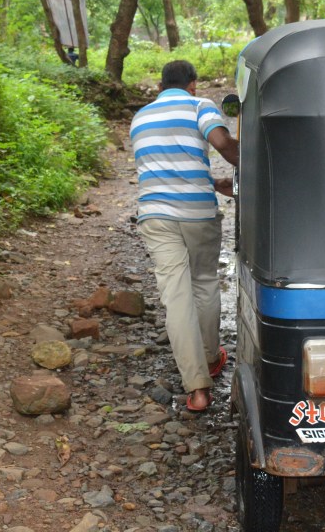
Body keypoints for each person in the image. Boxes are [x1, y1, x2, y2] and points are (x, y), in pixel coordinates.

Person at [130, 60, 239, 412]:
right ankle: (210, 358)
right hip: (197, 214)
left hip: (155, 216)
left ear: (161, 86)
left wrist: (211, 181)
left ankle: (197, 389)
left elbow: (164, 168)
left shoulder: (140, 117)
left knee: (176, 298)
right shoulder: (199, 105)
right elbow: (222, 143)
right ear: (192, 84)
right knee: (204, 283)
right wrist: (257, 163)